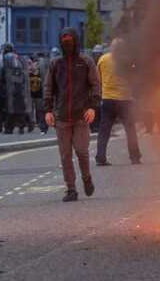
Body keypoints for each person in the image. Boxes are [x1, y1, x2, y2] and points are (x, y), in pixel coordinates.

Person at [44, 28, 99, 202]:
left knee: (82, 151)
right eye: (64, 39)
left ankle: (86, 178)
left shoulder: (86, 61)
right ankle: (71, 189)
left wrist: (92, 107)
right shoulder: (55, 64)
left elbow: (95, 85)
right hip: (61, 117)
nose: (67, 42)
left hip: (81, 115)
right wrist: (47, 110)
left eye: (70, 39)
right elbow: (48, 87)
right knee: (65, 155)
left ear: (76, 40)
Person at [96, 38, 142, 166]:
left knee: (104, 130)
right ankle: (135, 157)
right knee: (130, 130)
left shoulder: (103, 59)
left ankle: (100, 157)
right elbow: (133, 78)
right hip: (124, 99)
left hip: (108, 99)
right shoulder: (127, 60)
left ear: (111, 48)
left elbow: (98, 78)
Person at [0, 43, 32, 134]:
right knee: (20, 106)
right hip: (21, 86)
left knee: (9, 108)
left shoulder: (5, 58)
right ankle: (23, 125)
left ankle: (9, 128)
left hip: (9, 86)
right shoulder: (20, 58)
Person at [29, 57, 48, 135]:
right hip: (31, 95)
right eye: (33, 64)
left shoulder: (41, 73)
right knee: (30, 111)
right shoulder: (29, 73)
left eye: (36, 64)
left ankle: (43, 127)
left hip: (39, 94)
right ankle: (31, 125)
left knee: (40, 111)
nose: (34, 66)